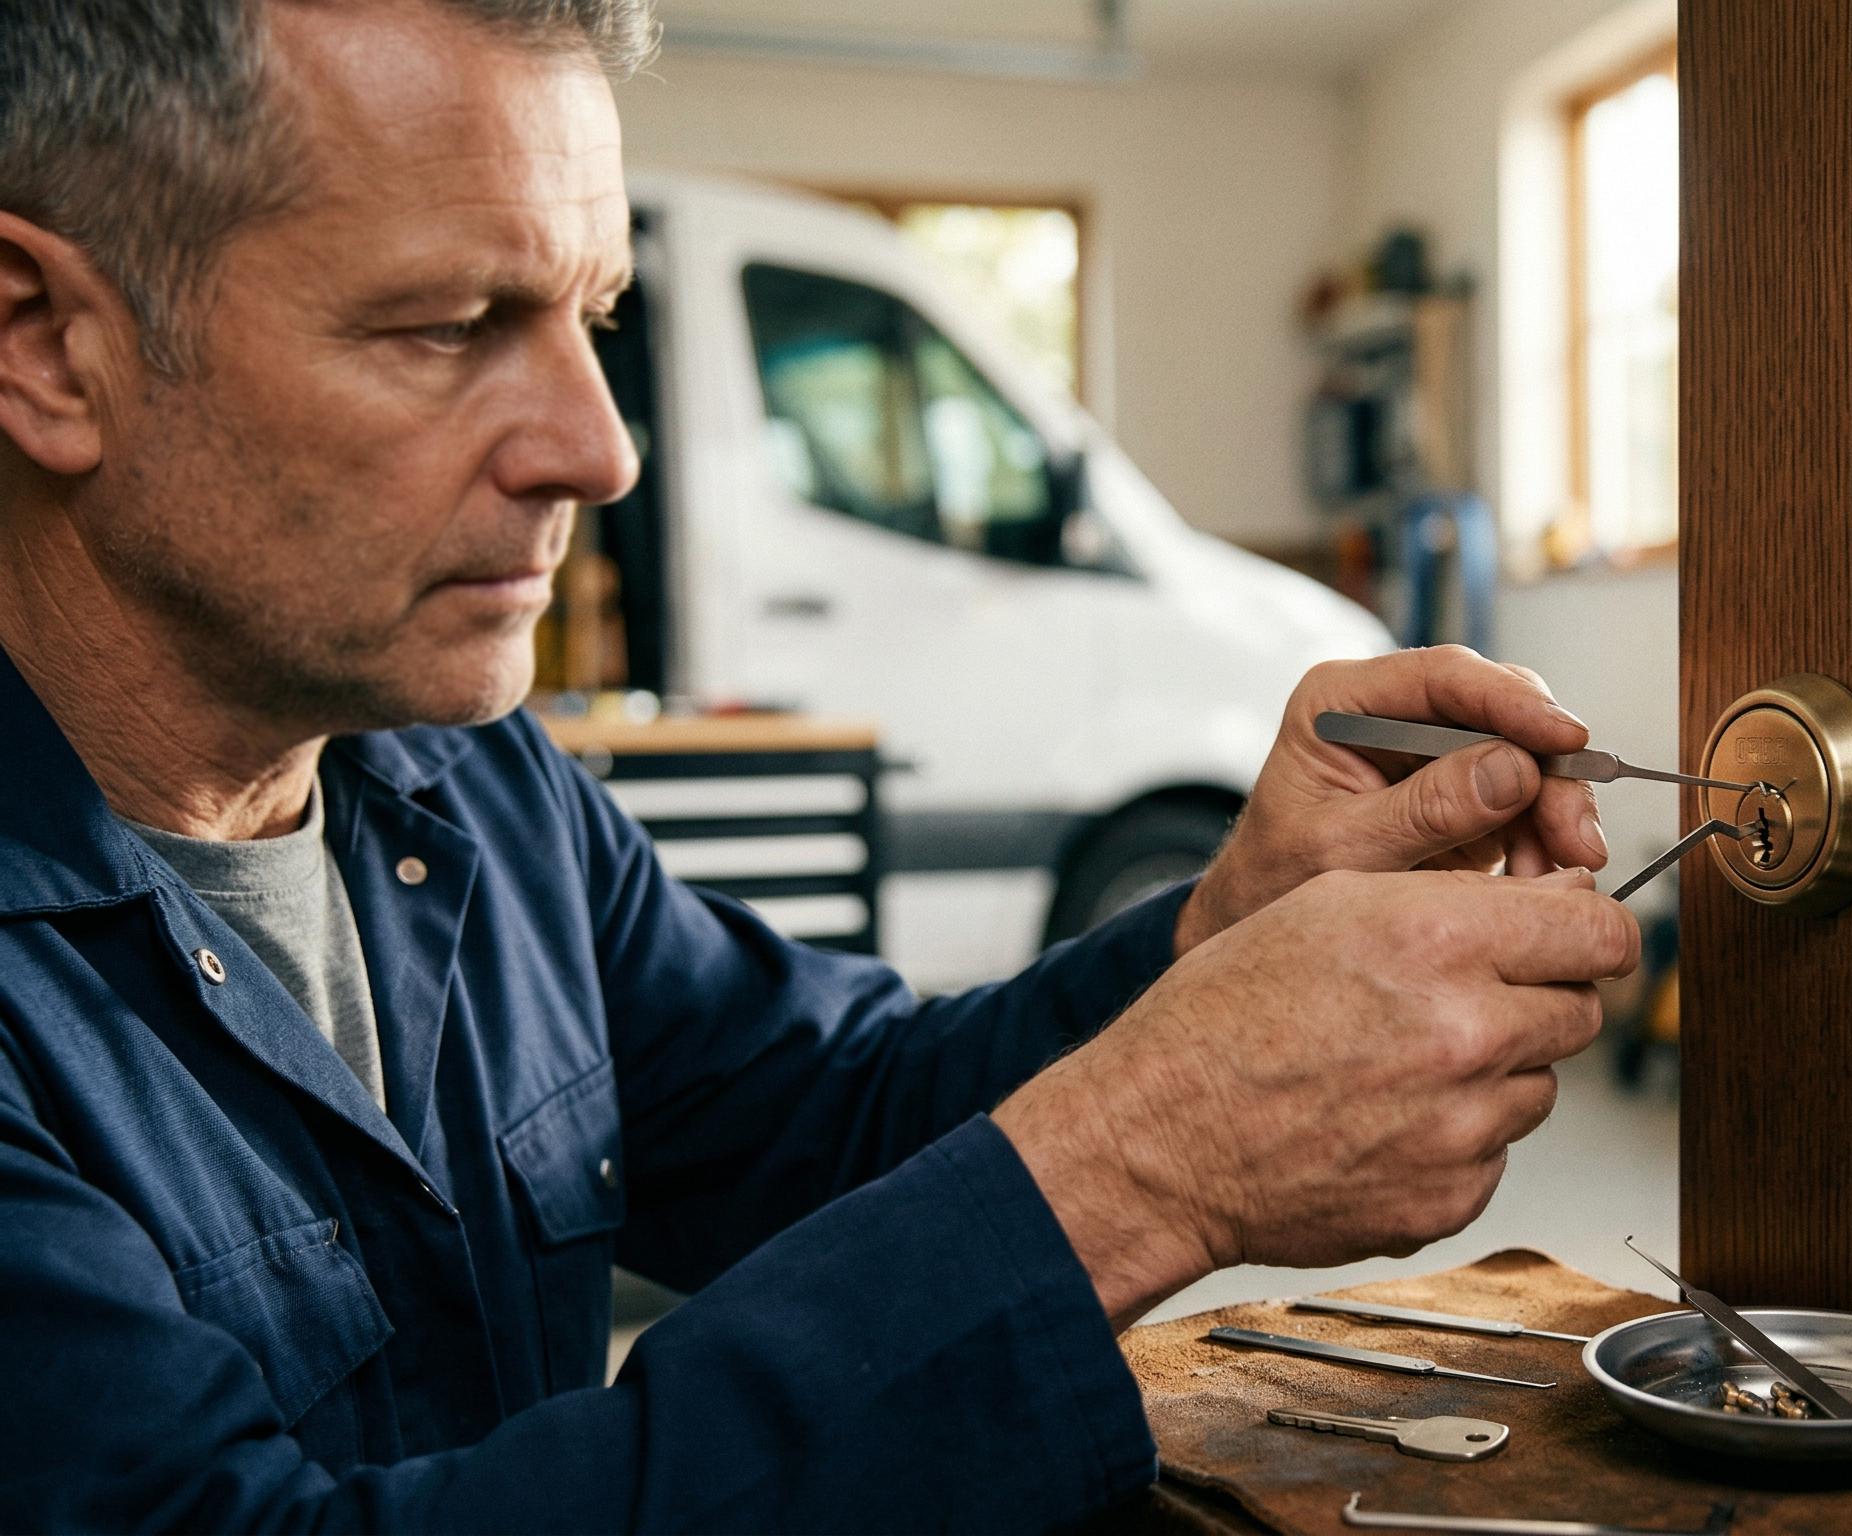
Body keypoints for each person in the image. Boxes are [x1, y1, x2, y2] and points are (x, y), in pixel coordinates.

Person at [0, 2, 1641, 1529]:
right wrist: (1143, 1167)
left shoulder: (469, 791)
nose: (600, 448)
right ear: (50, 345)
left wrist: (1221, 936)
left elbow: (835, 1117)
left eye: (591, 317)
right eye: (447, 327)